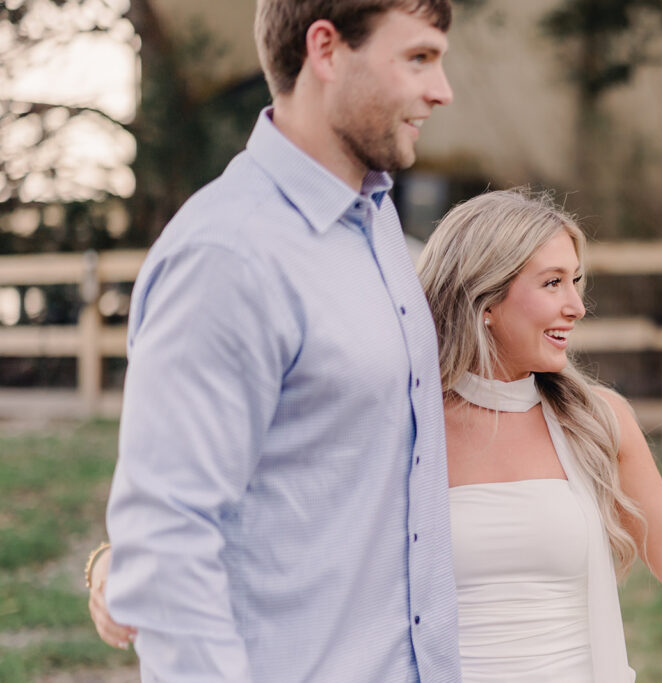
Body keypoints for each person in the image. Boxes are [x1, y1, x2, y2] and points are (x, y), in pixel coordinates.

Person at [92, 189, 662, 682]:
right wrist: (110, 565)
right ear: (485, 301)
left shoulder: (599, 417)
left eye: (577, 281)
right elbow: (255, 527)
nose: (576, 304)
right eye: (551, 282)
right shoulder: (396, 420)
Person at [89, 0, 461, 681]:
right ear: (326, 50)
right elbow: (168, 542)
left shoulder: (378, 227)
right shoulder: (228, 256)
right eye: (418, 58)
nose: (442, 89)